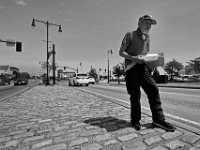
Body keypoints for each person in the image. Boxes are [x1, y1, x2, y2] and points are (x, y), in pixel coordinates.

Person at [119, 14, 176, 132]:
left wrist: (152, 64)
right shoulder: (130, 34)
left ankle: (158, 120)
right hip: (131, 69)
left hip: (144, 68)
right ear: (139, 22)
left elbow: (145, 54)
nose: (149, 25)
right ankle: (135, 121)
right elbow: (121, 52)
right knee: (135, 96)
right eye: (146, 22)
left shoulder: (148, 37)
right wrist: (135, 59)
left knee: (153, 89)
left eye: (150, 24)